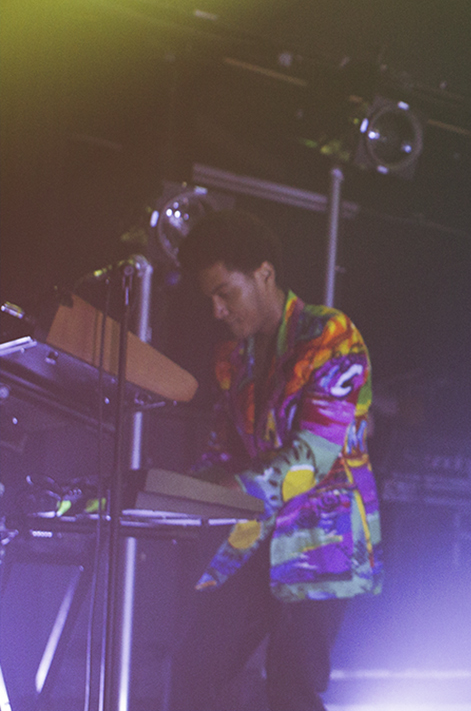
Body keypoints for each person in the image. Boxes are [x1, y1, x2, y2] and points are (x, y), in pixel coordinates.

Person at [168, 209, 380, 711]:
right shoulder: (231, 358)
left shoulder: (331, 335)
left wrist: (233, 488)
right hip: (256, 531)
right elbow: (223, 451)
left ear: (264, 273)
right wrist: (176, 492)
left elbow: (314, 452)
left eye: (226, 293)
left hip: (323, 532)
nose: (217, 310)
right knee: (194, 667)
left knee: (291, 687)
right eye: (210, 299)